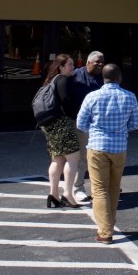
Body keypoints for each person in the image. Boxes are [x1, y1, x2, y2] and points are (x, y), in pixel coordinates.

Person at [76, 62, 138, 245]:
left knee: (99, 189)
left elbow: (80, 123)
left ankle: (105, 231)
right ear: (119, 77)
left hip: (97, 146)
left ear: (102, 77)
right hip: (119, 147)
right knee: (114, 187)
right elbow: (135, 124)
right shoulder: (129, 96)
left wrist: (95, 130)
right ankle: (109, 224)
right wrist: (120, 129)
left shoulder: (92, 96)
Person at [39, 54, 82, 209]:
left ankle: (53, 194)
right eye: (70, 64)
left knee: (57, 159)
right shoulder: (63, 80)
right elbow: (66, 102)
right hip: (61, 123)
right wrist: (77, 114)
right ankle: (68, 194)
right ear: (61, 67)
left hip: (49, 124)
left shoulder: (50, 81)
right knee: (73, 157)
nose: (73, 67)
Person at [67, 50, 104, 202]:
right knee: (83, 155)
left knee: (101, 155)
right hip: (80, 122)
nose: (100, 65)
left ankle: (102, 186)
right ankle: (78, 187)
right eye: (97, 62)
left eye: (102, 62)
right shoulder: (75, 76)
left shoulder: (104, 79)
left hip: (100, 123)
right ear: (88, 62)